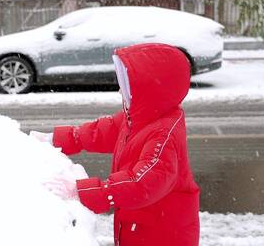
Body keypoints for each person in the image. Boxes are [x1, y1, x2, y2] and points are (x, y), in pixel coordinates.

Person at [31, 43, 200, 246]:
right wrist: (57, 139)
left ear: (151, 89)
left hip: (163, 235)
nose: (120, 90)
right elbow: (103, 130)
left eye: (127, 84)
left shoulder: (163, 135)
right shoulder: (142, 117)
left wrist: (83, 192)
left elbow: (141, 183)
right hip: (141, 227)